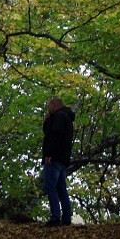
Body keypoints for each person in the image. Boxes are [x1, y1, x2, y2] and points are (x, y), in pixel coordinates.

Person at [42, 97, 75, 226]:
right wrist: (48, 120)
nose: (48, 108)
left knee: (50, 186)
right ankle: (66, 217)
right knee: (61, 188)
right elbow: (48, 132)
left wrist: (49, 154)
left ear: (55, 105)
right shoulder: (65, 117)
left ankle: (55, 217)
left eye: (49, 105)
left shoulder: (59, 117)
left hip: (55, 158)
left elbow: (54, 136)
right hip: (63, 158)